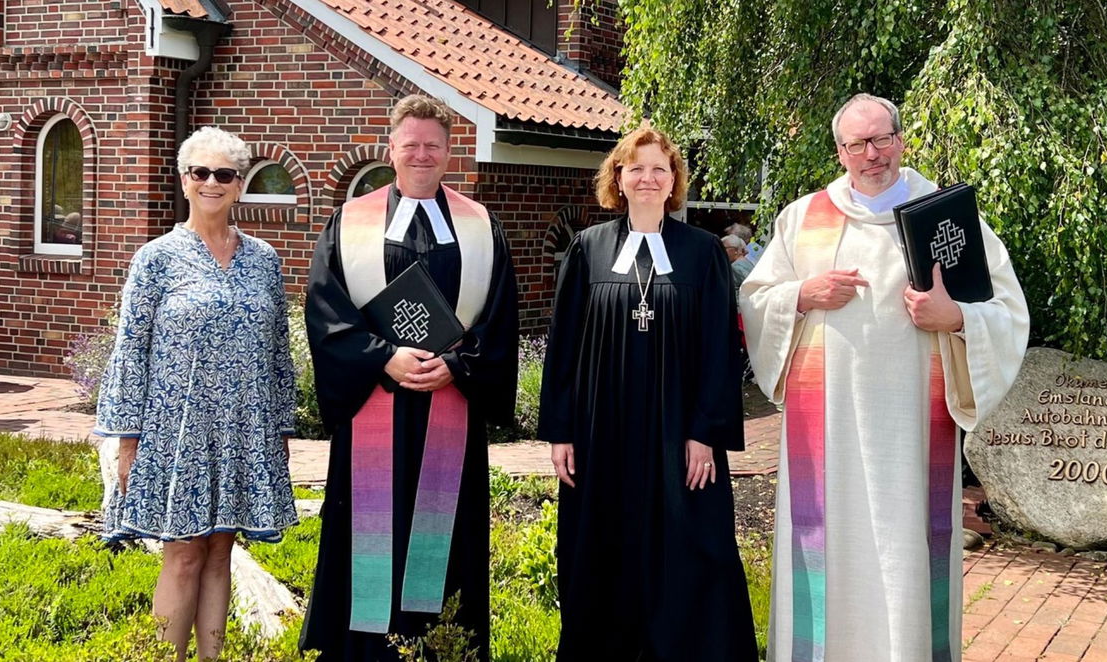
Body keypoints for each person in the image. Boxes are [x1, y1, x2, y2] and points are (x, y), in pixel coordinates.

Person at [741, 93, 1029, 662]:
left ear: (900, 140)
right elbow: (755, 298)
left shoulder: (944, 216)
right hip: (828, 431)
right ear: (840, 152)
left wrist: (956, 317)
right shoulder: (803, 217)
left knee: (906, 550)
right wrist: (802, 294)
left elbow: (1008, 310)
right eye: (856, 144)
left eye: (880, 139)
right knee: (829, 541)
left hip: (911, 432)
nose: (871, 154)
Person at [300, 94, 518, 661]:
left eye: (433, 146)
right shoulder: (352, 221)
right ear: (391, 148)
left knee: (447, 538)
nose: (422, 154)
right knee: (368, 530)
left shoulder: (479, 226)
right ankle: (362, 651)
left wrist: (458, 366)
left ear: (449, 152)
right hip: (376, 398)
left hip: (452, 402)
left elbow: (500, 317)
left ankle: (444, 647)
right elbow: (325, 308)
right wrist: (382, 357)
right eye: (411, 144)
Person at [540, 125, 758, 661]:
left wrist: (706, 433)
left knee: (692, 549)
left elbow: (719, 348)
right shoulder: (588, 249)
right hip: (602, 432)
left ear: (674, 180)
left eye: (659, 168)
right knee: (604, 546)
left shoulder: (702, 253)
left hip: (678, 434)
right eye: (635, 167)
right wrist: (561, 431)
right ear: (618, 178)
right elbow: (563, 345)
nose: (647, 178)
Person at [93, 127, 298, 662]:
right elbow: (130, 350)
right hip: (174, 428)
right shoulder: (156, 258)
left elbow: (279, 351)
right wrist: (127, 440)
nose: (212, 182)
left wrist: (280, 430)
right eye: (200, 172)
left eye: (224, 174)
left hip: (243, 428)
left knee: (220, 550)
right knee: (182, 553)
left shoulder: (264, 260)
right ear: (184, 180)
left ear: (239, 185)